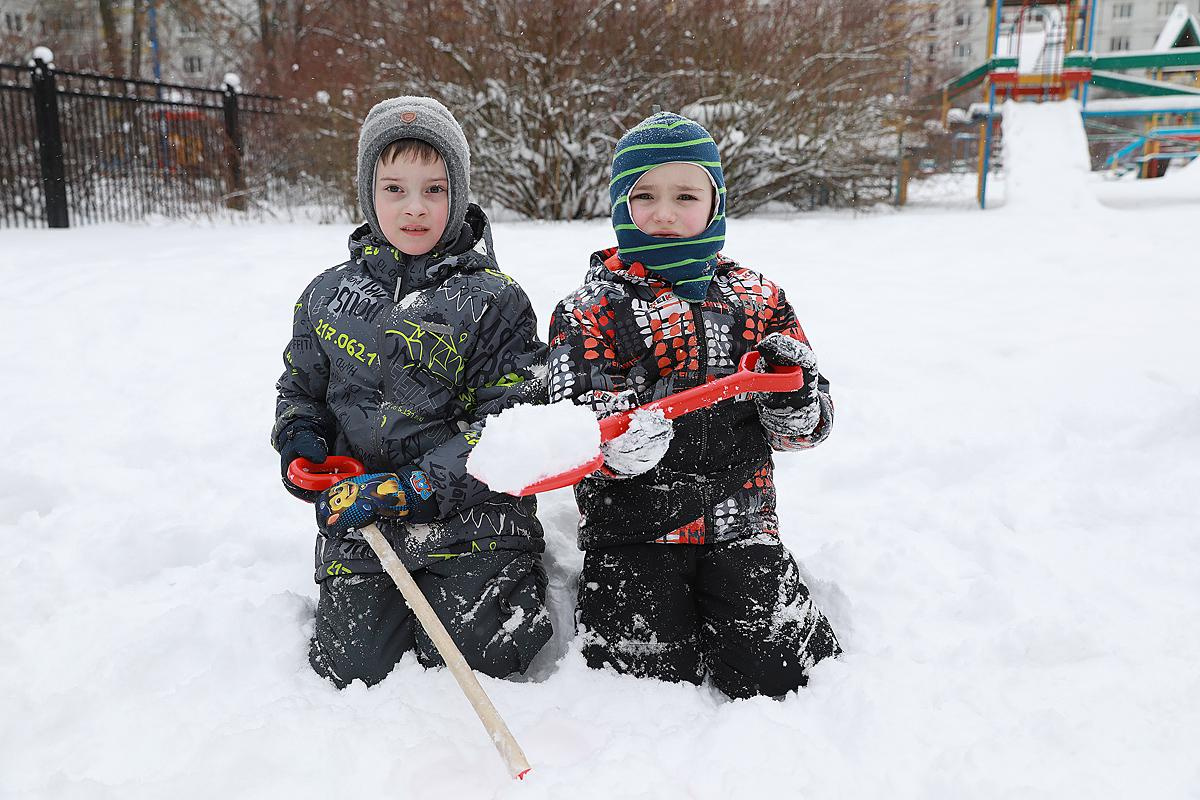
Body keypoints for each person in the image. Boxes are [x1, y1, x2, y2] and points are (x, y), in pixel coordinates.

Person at [547, 111, 841, 699]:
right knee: (641, 686)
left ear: (715, 203)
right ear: (620, 205)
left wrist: (796, 401)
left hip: (741, 523)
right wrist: (612, 446)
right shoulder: (589, 309)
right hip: (633, 531)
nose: (664, 213)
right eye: (644, 196)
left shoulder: (758, 299)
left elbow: (808, 425)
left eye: (685, 195)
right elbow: (568, 422)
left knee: (781, 674)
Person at [272, 96, 551, 688]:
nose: (415, 207)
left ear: (459, 193)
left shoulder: (494, 300)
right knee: (354, 670)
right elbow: (301, 387)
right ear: (367, 194)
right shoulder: (327, 296)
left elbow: (508, 425)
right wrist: (299, 436)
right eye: (394, 189)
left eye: (435, 189)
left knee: (479, 660)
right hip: (362, 513)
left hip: (474, 517)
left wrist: (415, 487)